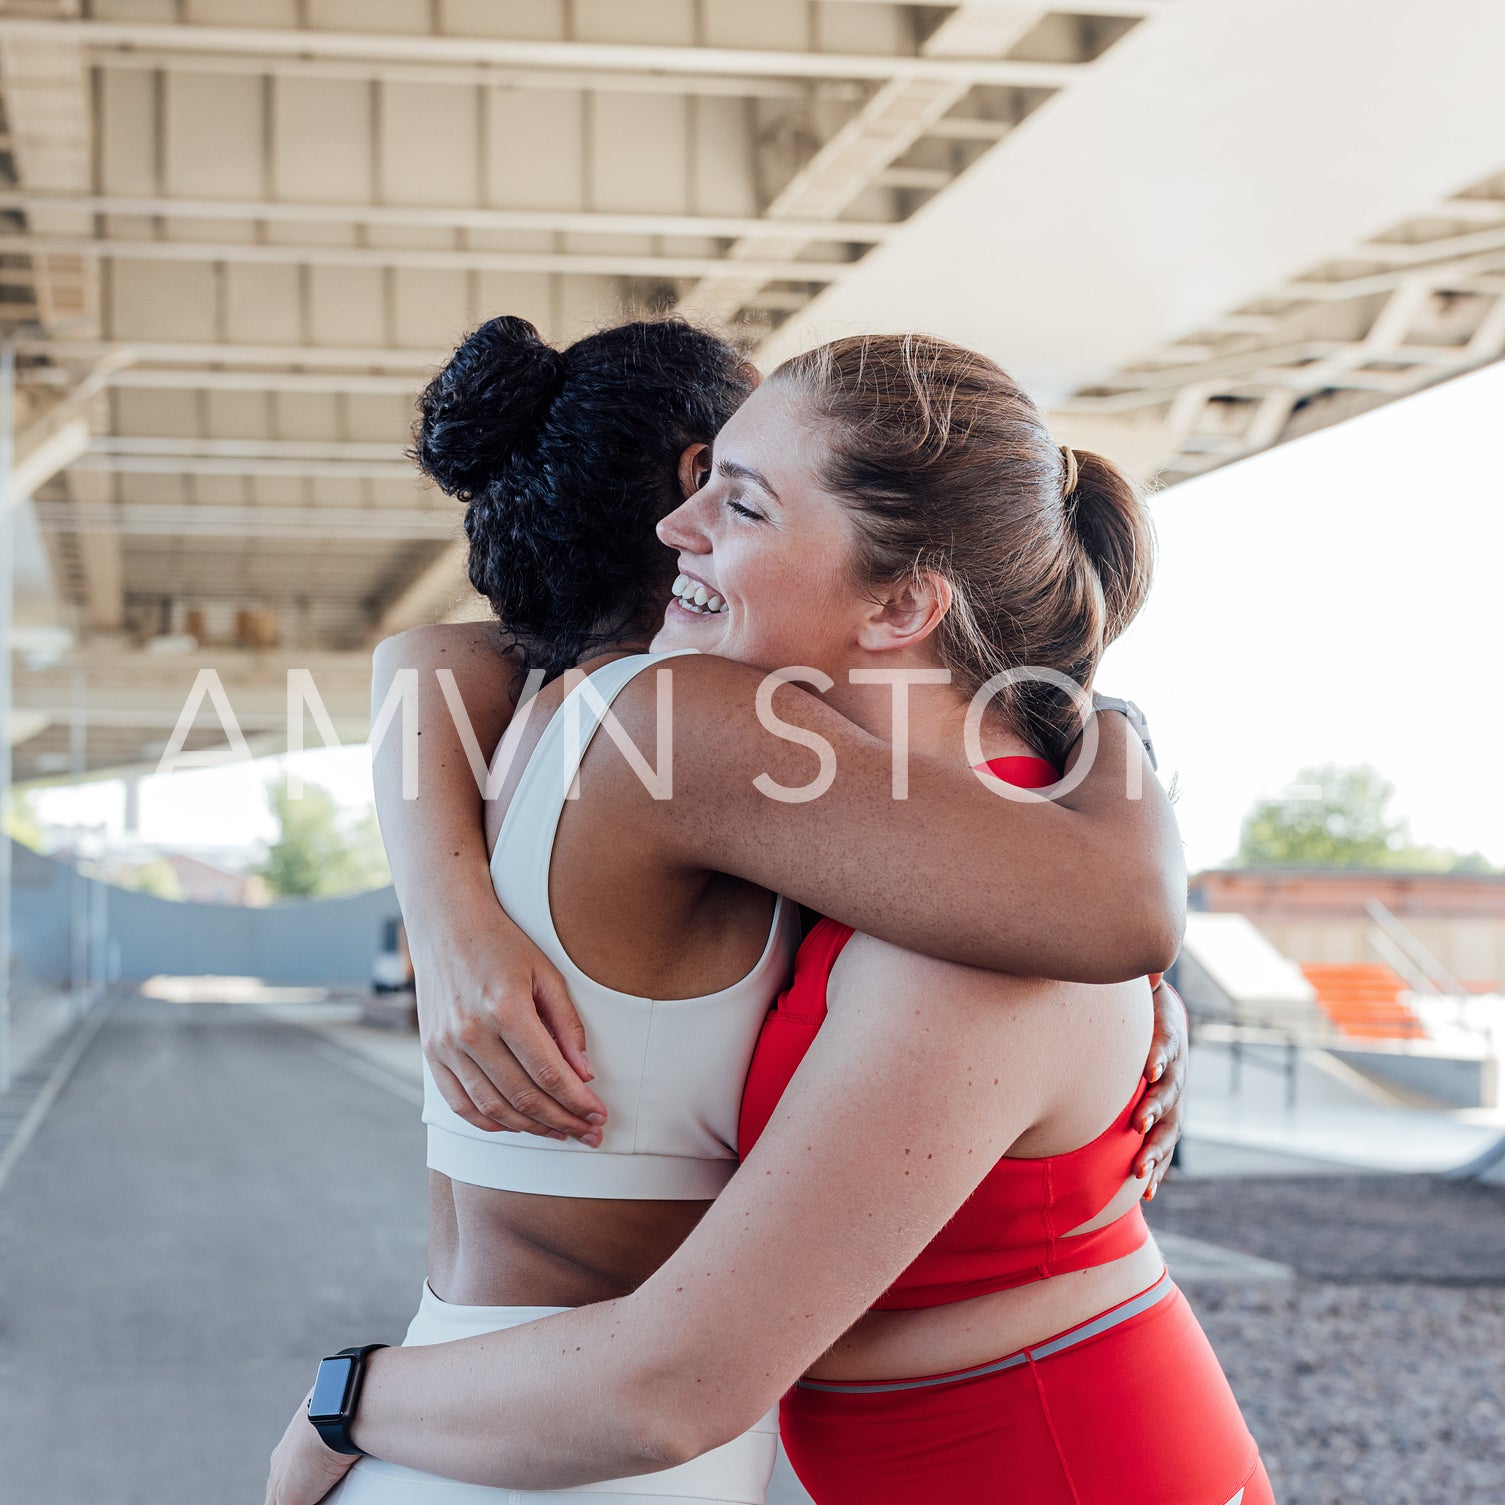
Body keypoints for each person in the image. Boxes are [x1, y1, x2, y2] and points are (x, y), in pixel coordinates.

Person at [268, 324, 1200, 1505]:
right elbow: (1113, 906)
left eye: (741, 499)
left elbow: (426, 648)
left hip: (493, 1396)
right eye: (710, 482)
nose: (692, 522)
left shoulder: (554, 710)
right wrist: (1106, 722)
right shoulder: (688, 725)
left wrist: (443, 902)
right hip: (571, 1434)